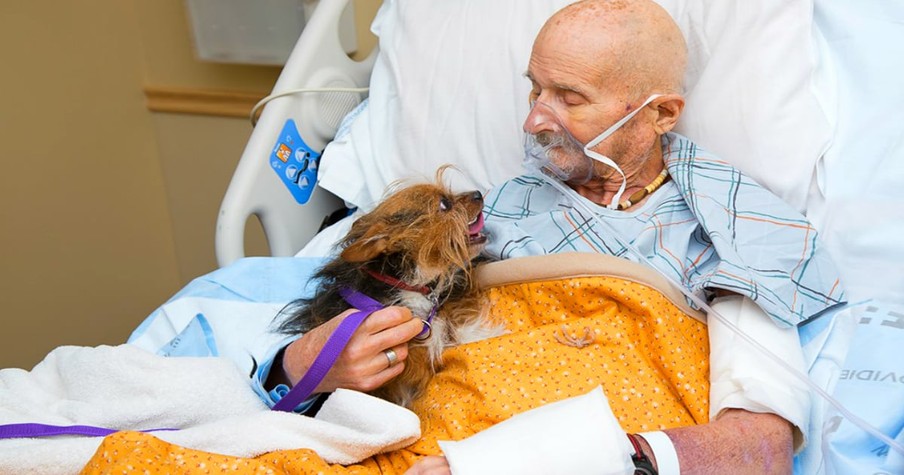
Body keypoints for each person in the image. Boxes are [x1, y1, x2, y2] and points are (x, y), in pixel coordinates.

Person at [90, 0, 844, 473]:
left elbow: (757, 449)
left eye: (569, 97)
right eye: (533, 88)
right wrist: (320, 365)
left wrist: (511, 463)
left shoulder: (737, 232)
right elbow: (299, 377)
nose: (533, 119)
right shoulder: (484, 218)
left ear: (659, 114)